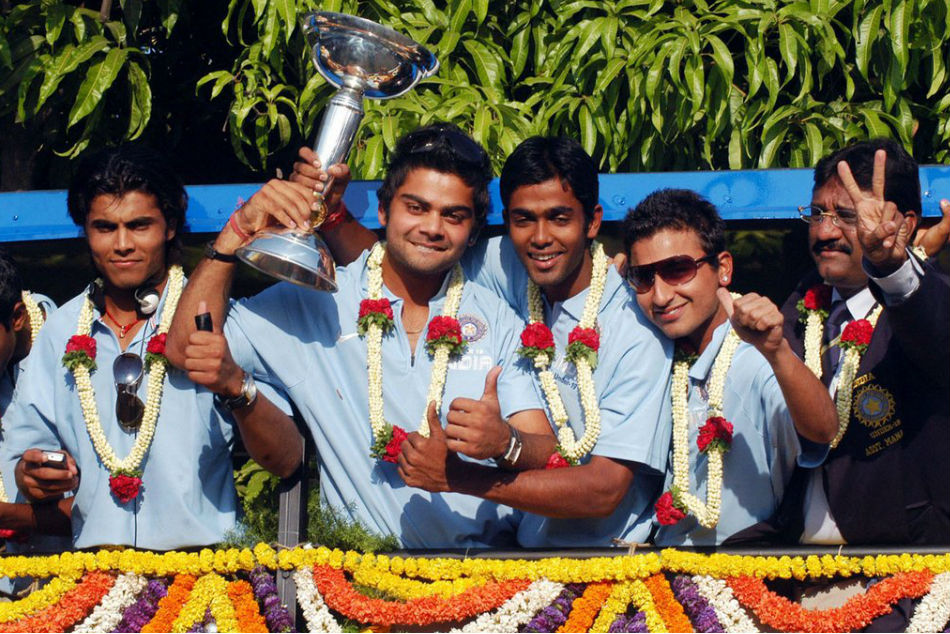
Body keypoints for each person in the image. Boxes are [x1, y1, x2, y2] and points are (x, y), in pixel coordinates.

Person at [166, 123, 554, 549]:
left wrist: (504, 443)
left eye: (453, 216)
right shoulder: (319, 300)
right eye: (416, 207)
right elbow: (185, 349)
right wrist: (237, 230)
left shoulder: (496, 320)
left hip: (485, 573)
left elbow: (545, 447)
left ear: (474, 230)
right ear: (384, 211)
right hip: (355, 574)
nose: (432, 227)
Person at [293, 136, 674, 548]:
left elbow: (604, 490)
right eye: (524, 219)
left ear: (593, 222)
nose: (541, 237)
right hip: (520, 557)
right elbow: (411, 259)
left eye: (560, 218)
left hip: (605, 562)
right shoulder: (507, 263)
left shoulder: (637, 332)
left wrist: (462, 477)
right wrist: (332, 216)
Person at [1, 144, 240, 550]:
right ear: (86, 231)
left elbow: (283, 455)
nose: (122, 244)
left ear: (169, 227)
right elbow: (26, 460)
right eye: (105, 228)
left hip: (204, 573)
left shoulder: (217, 321)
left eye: (139, 225)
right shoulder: (61, 331)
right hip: (93, 574)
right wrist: (33, 476)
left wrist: (239, 387)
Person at [747, 140, 949, 546]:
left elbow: (936, 334)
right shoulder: (797, 310)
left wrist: (890, 264)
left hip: (905, 559)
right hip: (797, 562)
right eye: (817, 214)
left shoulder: (923, 300)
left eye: (847, 216)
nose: (825, 232)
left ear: (904, 224)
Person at [621, 188, 837, 545]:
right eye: (643, 277)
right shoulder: (652, 352)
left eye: (677, 269)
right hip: (661, 570)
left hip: (743, 570)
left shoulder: (754, 358)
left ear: (723, 269)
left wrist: (777, 352)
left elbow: (822, 430)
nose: (660, 296)